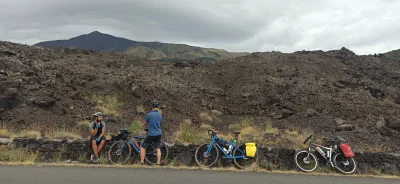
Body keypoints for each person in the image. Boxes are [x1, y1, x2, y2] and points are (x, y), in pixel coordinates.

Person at [140, 100, 163, 165]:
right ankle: (158, 163)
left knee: (143, 147)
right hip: (159, 134)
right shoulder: (160, 115)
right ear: (158, 107)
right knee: (158, 148)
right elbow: (160, 123)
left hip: (151, 134)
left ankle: (142, 162)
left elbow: (145, 123)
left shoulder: (149, 115)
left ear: (152, 107)